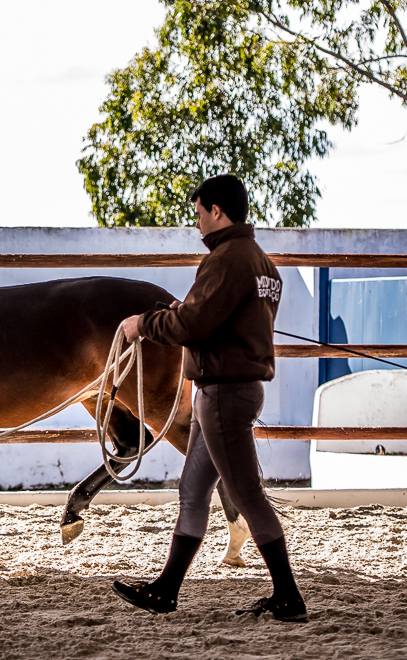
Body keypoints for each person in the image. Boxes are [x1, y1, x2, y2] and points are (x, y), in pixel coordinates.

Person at [110, 174, 307, 622]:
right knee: (193, 489)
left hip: (222, 392)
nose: (197, 224)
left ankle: (288, 595)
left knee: (248, 494)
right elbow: (217, 317)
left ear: (217, 211)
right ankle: (166, 589)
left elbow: (194, 325)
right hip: (228, 390)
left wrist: (143, 324)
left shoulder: (225, 260)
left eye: (200, 213)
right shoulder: (263, 264)